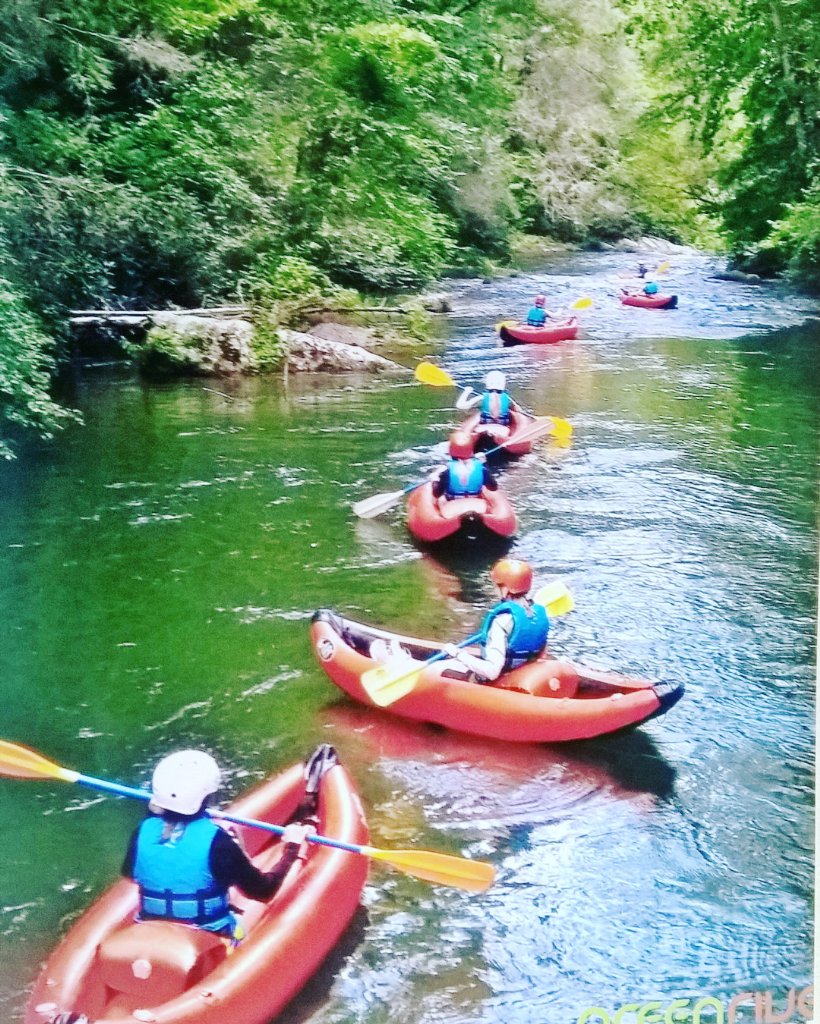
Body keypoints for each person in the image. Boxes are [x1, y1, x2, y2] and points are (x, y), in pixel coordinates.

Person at [122, 746, 336, 941]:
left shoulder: (142, 830)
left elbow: (131, 873)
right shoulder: (218, 841)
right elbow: (264, 891)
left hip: (149, 927)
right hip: (207, 936)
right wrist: (292, 847)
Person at [440, 558, 549, 682]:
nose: (494, 588)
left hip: (500, 681)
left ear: (506, 589)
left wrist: (457, 653)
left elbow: (491, 672)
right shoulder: (539, 614)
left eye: (497, 585)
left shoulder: (501, 621)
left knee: (447, 675)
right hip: (523, 676)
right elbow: (542, 656)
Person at [430, 431, 498, 501]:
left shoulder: (447, 470)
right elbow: (493, 487)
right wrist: (484, 463)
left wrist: (435, 480)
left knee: (440, 500)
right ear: (471, 452)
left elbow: (437, 494)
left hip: (453, 501)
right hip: (475, 500)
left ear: (450, 451)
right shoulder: (481, 467)